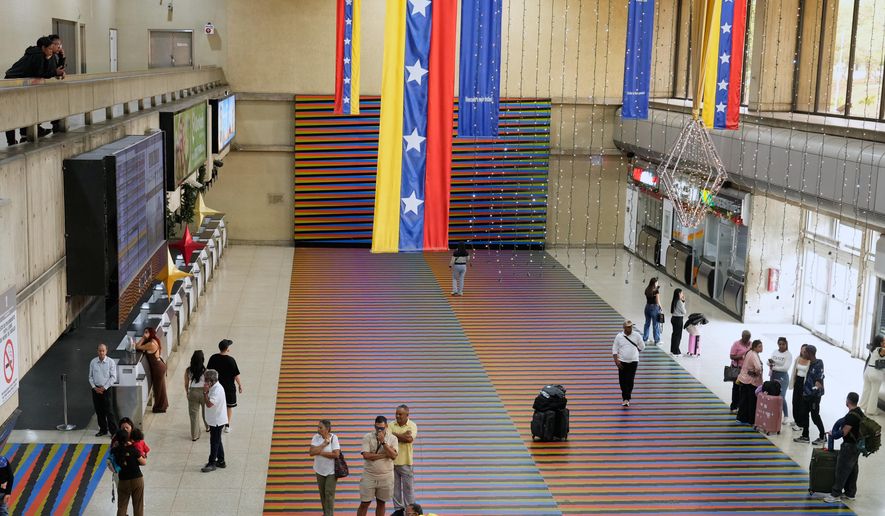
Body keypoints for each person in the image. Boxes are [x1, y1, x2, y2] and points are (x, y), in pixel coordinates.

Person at [4, 36, 64, 146]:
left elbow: (45, 71)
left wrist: (59, 61)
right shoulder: (38, 55)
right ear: (43, 48)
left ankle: (18, 137)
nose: (51, 51)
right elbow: (40, 73)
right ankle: (12, 141)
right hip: (12, 83)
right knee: (12, 113)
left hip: (17, 82)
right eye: (50, 49)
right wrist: (55, 72)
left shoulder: (41, 55)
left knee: (19, 111)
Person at [824, 392, 864, 503]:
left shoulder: (851, 416)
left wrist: (833, 434)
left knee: (842, 470)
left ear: (848, 401)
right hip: (857, 446)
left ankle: (835, 494)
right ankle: (850, 493)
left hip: (849, 447)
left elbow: (844, 432)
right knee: (853, 470)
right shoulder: (859, 412)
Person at [357, 415, 398, 516]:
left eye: (382, 428)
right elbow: (366, 455)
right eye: (377, 427)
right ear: (374, 426)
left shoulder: (393, 438)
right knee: (364, 503)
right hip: (369, 475)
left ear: (386, 426)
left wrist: (383, 442)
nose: (379, 430)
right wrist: (385, 455)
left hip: (386, 476)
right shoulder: (367, 437)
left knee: (381, 503)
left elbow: (393, 456)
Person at [207, 339, 242, 433]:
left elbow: (208, 372)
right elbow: (236, 375)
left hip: (215, 387)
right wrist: (240, 385)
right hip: (229, 388)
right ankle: (227, 425)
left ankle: (213, 424)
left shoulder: (213, 358)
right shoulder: (231, 360)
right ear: (227, 349)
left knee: (215, 405)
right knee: (228, 406)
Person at [794, 344, 826, 445]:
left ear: (809, 353)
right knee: (804, 414)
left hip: (814, 396)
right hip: (806, 394)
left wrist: (815, 387)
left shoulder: (819, 364)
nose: (803, 354)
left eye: (805, 352)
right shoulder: (808, 363)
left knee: (815, 416)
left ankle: (823, 436)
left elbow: (820, 379)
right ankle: (805, 436)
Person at [111, 429, 146, 516]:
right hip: (137, 479)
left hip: (123, 480)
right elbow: (143, 462)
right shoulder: (133, 449)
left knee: (122, 506)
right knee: (138, 505)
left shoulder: (115, 451)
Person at [309, 419, 341, 516]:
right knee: (322, 494)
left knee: (329, 494)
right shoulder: (316, 437)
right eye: (318, 427)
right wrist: (323, 445)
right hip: (319, 470)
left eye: (320, 427)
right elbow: (311, 452)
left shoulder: (334, 438)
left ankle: (329, 514)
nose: (318, 429)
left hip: (331, 472)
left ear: (327, 429)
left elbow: (336, 454)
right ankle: (326, 513)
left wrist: (320, 452)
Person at [390, 404, 418, 510]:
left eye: (400, 414)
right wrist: (403, 435)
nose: (397, 416)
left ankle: (410, 512)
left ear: (407, 415)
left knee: (409, 491)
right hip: (392, 463)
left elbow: (409, 439)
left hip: (406, 463)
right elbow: (387, 439)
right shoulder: (391, 424)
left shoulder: (412, 425)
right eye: (396, 414)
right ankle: (398, 512)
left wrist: (394, 435)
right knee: (395, 492)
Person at [133, 327, 168, 413]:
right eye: (144, 332)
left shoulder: (151, 344)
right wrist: (144, 338)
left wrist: (143, 338)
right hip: (159, 366)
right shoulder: (153, 340)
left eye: (146, 332)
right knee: (161, 387)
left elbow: (137, 347)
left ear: (151, 333)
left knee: (158, 389)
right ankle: (162, 406)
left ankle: (159, 408)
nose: (145, 334)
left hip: (158, 368)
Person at [201, 369, 228, 472]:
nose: (204, 382)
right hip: (215, 419)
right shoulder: (214, 387)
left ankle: (212, 463)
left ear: (211, 381)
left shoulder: (217, 390)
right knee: (217, 440)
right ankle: (221, 461)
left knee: (214, 442)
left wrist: (205, 392)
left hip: (217, 421)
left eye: (206, 380)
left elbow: (209, 404)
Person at [613, 320, 645, 407]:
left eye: (631, 327)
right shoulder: (619, 336)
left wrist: (636, 352)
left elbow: (642, 346)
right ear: (624, 328)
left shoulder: (637, 335)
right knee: (622, 381)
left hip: (633, 361)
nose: (630, 328)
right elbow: (614, 349)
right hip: (622, 361)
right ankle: (625, 396)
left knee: (630, 380)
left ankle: (626, 398)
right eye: (628, 327)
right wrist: (616, 361)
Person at [89, 343, 118, 437]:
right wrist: (94, 387)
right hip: (96, 390)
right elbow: (90, 377)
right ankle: (103, 430)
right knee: (99, 410)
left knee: (109, 411)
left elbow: (113, 377)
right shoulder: (93, 362)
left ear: (106, 351)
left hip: (107, 390)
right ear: (97, 351)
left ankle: (113, 432)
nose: (101, 352)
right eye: (100, 351)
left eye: (103, 351)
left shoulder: (111, 362)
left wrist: (104, 387)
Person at [736, 340, 764, 425]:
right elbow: (758, 367)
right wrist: (757, 373)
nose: (761, 348)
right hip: (751, 381)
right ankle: (750, 420)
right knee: (751, 401)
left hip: (744, 379)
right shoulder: (754, 355)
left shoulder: (749, 352)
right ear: (754, 347)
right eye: (759, 346)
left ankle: (741, 418)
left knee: (744, 400)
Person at [184, 350, 208, 441]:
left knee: (194, 415)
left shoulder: (188, 370)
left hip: (193, 392)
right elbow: (208, 383)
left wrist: (187, 392)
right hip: (204, 392)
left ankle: (194, 435)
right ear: (202, 359)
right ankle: (208, 427)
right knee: (206, 412)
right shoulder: (206, 371)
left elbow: (186, 384)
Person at [768, 337, 793, 424]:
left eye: (783, 344)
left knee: (781, 397)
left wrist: (774, 367)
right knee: (772, 395)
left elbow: (785, 368)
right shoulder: (775, 351)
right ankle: (773, 413)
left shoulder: (788, 355)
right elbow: (770, 362)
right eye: (780, 344)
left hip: (783, 377)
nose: (781, 346)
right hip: (773, 376)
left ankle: (786, 416)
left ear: (786, 344)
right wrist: (770, 364)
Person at [859, 335, 885, 416]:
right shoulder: (880, 349)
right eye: (883, 341)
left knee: (866, 390)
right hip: (875, 373)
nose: (884, 343)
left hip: (868, 371)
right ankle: (871, 411)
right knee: (874, 393)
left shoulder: (872, 348)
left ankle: (862, 405)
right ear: (880, 342)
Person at [729, 330, 752, 412]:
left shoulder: (751, 344)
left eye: (749, 338)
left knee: (744, 389)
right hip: (737, 369)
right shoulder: (736, 344)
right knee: (736, 388)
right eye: (746, 338)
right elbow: (731, 356)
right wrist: (741, 356)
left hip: (746, 370)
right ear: (742, 336)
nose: (748, 339)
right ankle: (734, 406)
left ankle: (740, 406)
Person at [790, 344, 810, 432]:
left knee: (802, 404)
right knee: (795, 401)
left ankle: (800, 423)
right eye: (802, 349)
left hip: (804, 383)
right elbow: (795, 371)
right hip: (797, 381)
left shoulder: (810, 361)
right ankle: (796, 419)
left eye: (805, 350)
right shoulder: (798, 358)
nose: (804, 351)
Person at [642, 278, 662, 345]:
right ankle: (657, 340)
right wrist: (661, 307)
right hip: (654, 308)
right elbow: (657, 301)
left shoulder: (647, 289)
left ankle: (645, 338)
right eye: (657, 283)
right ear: (654, 283)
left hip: (647, 307)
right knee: (655, 325)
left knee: (647, 323)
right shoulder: (656, 291)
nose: (657, 284)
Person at [669, 289, 686, 355]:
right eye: (681, 293)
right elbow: (684, 312)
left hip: (674, 318)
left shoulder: (675, 300)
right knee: (678, 336)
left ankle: (672, 350)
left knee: (674, 335)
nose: (682, 294)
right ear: (679, 294)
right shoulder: (679, 302)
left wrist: (683, 301)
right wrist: (683, 302)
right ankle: (676, 352)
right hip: (678, 319)